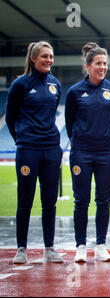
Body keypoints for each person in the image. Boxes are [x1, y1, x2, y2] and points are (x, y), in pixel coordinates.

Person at [6, 41, 64, 264]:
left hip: (51, 149)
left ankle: (49, 248)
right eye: (44, 56)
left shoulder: (55, 84)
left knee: (49, 201)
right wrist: (23, 139)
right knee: (25, 200)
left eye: (51, 56)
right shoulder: (20, 85)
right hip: (28, 149)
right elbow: (11, 118)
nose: (49, 60)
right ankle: (22, 248)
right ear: (33, 58)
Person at [65, 43, 110, 262]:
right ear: (88, 66)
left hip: (106, 153)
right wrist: (81, 141)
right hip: (82, 153)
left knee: (104, 201)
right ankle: (80, 246)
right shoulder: (75, 92)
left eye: (105, 63)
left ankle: (101, 245)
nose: (102, 67)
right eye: (98, 63)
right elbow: (70, 124)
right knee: (81, 201)